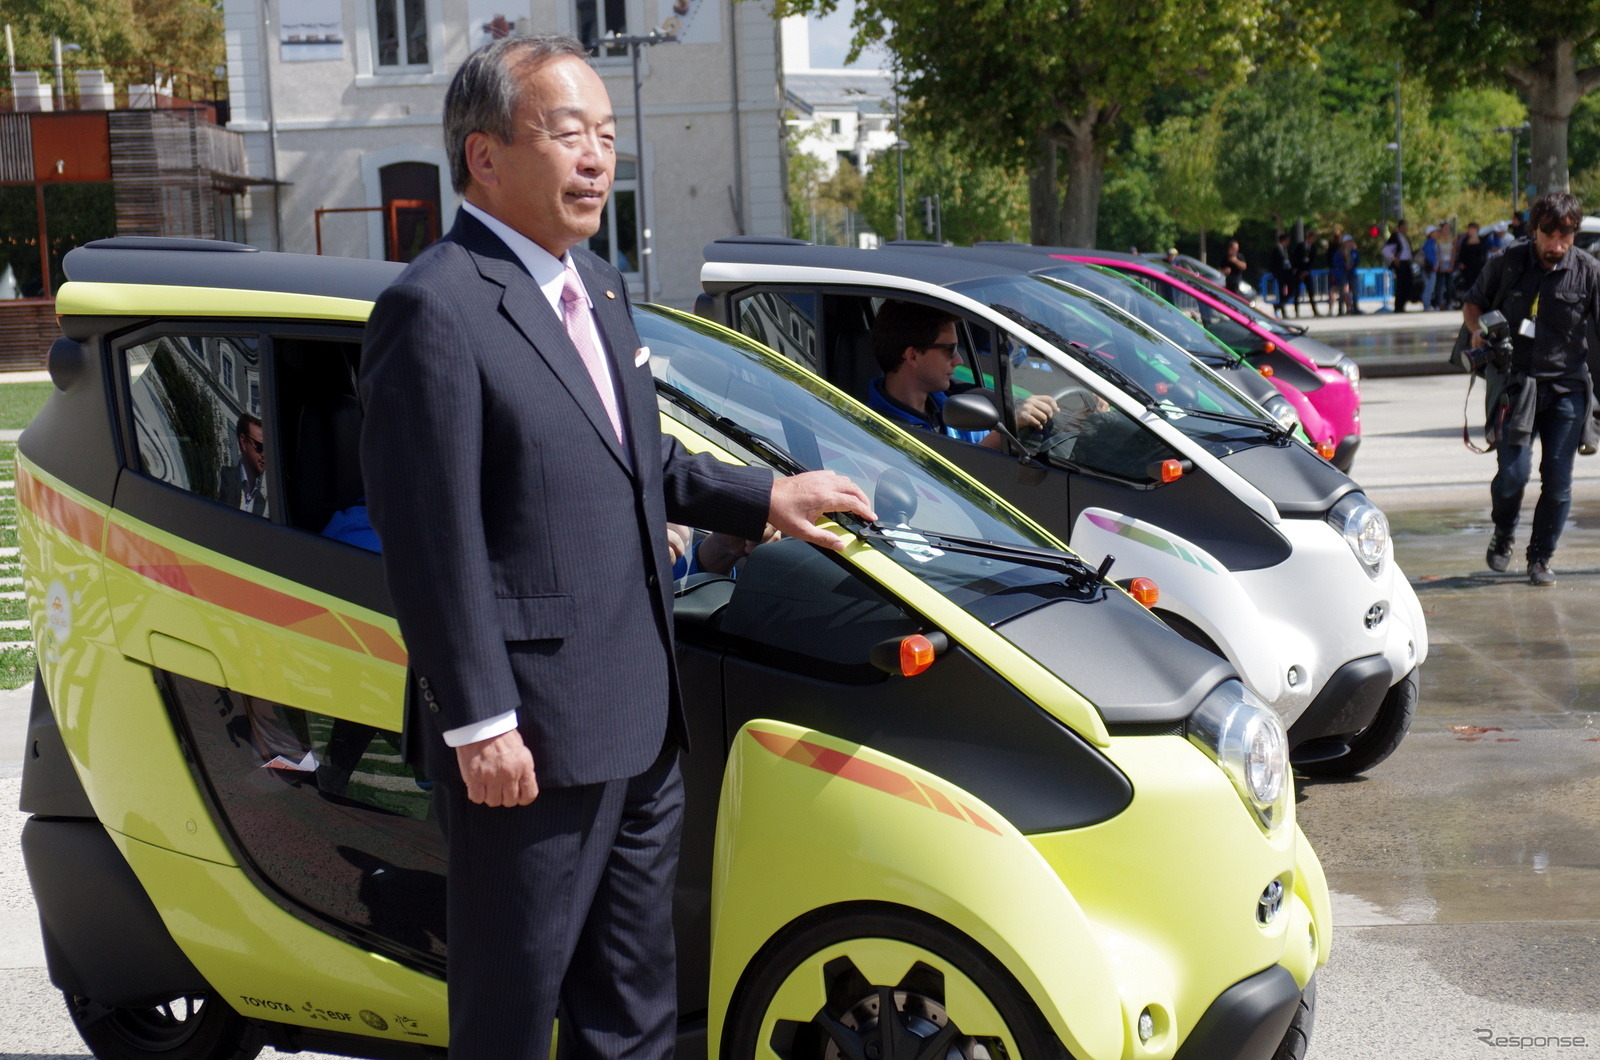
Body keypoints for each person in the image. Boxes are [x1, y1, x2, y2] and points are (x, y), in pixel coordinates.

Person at [357, 34, 876, 1060]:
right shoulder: (434, 307)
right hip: (527, 748)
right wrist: (478, 723)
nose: (597, 157)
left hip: (640, 724)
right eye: (567, 133)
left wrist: (761, 492)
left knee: (630, 1017)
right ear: (485, 156)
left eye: (604, 134)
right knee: (510, 1019)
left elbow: (639, 456)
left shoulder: (593, 286)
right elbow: (431, 538)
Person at [1464, 191, 1600, 586]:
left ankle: (1540, 557)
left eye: (1566, 235)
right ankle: (1503, 532)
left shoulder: (1589, 271)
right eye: (1549, 234)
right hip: (1516, 384)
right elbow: (1473, 303)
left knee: (1558, 479)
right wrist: (1477, 331)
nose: (1557, 245)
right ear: (1535, 229)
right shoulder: (1506, 262)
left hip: (1567, 388)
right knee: (1513, 475)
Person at [865, 300, 1057, 449]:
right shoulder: (876, 430)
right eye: (950, 350)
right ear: (913, 356)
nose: (959, 360)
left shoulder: (948, 405)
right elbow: (944, 486)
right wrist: (1008, 429)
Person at [218, 413, 268, 516]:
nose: (264, 454)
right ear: (243, 442)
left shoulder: (260, 501)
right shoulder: (224, 477)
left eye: (267, 449)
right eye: (259, 447)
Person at [1383, 219, 1416, 312]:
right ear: (1400, 227)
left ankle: (1403, 305)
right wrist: (1393, 258)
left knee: (1408, 284)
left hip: (1407, 262)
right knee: (1401, 285)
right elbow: (1385, 250)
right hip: (1400, 263)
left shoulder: (1406, 237)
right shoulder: (1395, 237)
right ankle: (1398, 306)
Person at [1456, 221, 1488, 300]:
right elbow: (1462, 252)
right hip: (1468, 266)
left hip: (1479, 265)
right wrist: (1460, 262)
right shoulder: (1465, 240)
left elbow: (1484, 253)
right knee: (1468, 283)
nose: (1469, 230)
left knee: (1478, 283)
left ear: (1476, 229)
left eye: (1471, 229)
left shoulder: (1482, 239)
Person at [1271, 232, 1295, 316]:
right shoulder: (1276, 250)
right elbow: (1273, 262)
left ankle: (1279, 305)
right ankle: (1283, 311)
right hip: (1281, 273)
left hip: (1288, 272)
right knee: (1282, 292)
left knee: (1292, 291)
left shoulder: (1287, 250)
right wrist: (1275, 273)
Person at [1433, 222, 1455, 308]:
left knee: (1449, 285)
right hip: (1440, 264)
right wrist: (1440, 265)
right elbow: (1437, 253)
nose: (1446, 230)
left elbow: (1454, 252)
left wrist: (1452, 265)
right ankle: (1438, 303)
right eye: (1444, 228)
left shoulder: (1453, 239)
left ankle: (1449, 303)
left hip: (1449, 264)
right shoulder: (1437, 240)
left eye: (1448, 228)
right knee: (1439, 285)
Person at [1420, 225, 1439, 310]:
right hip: (1429, 269)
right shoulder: (1429, 243)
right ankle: (1427, 305)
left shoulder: (1432, 243)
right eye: (1435, 232)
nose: (1437, 234)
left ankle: (1428, 304)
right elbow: (1430, 255)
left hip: (1430, 268)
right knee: (1429, 286)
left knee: (1430, 286)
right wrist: (1434, 264)